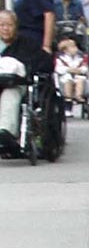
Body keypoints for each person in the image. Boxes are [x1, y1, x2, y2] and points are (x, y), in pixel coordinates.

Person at [0, 10, 53, 148]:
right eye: (2, 25)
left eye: (9, 25)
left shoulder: (27, 43)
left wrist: (30, 68)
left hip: (17, 85)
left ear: (15, 27)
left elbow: (46, 63)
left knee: (10, 93)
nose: (5, 28)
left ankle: (5, 133)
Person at [54, 38, 88, 116]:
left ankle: (78, 95)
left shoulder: (80, 58)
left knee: (80, 80)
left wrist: (80, 70)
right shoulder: (60, 59)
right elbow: (58, 69)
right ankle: (68, 98)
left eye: (75, 46)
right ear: (65, 50)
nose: (75, 49)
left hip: (77, 75)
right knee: (68, 81)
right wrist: (69, 69)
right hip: (65, 77)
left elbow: (85, 67)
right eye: (72, 47)